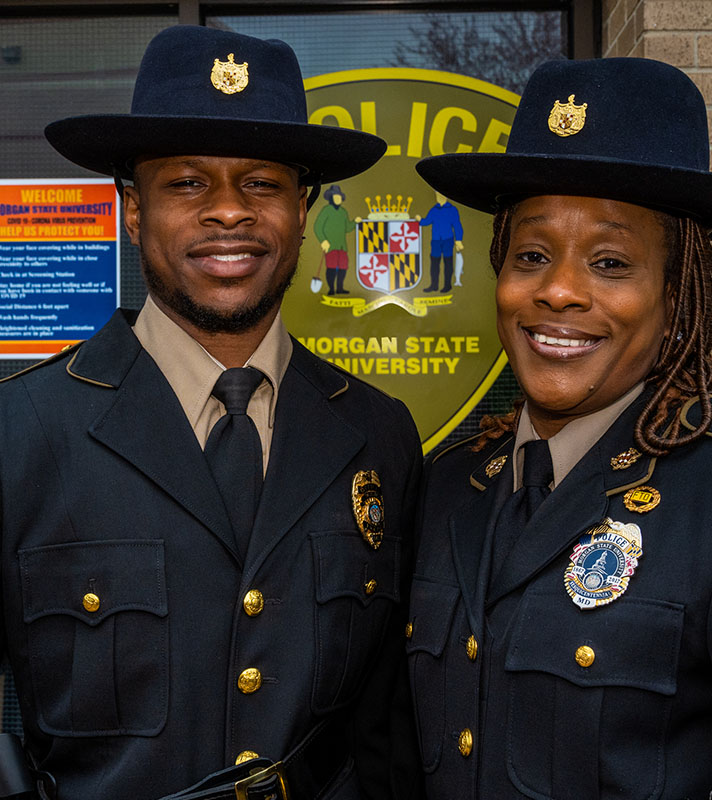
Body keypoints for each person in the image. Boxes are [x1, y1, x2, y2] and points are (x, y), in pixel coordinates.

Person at [0, 25, 422, 800]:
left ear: (302, 210)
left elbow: (387, 727)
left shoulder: (378, 435)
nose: (228, 212)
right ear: (133, 209)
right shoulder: (21, 432)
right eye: (188, 183)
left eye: (261, 183)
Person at [408, 57, 712, 800]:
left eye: (611, 262)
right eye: (531, 256)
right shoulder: (450, 483)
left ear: (677, 292)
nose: (557, 290)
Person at [314, 184, 359, 296]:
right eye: (336, 197)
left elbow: (347, 227)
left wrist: (355, 222)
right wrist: (323, 240)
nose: (338, 199)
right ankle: (331, 289)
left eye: (339, 197)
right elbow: (317, 227)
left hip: (342, 246)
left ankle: (340, 288)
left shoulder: (343, 212)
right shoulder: (326, 210)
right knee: (331, 267)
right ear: (331, 198)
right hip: (331, 245)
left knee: (343, 267)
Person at [416, 192, 463, 293]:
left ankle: (447, 285)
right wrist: (420, 220)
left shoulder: (452, 210)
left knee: (448, 263)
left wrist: (458, 240)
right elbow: (427, 221)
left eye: (441, 195)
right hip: (436, 240)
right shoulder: (434, 210)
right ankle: (434, 285)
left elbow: (457, 225)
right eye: (437, 195)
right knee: (434, 263)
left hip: (447, 240)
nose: (439, 197)